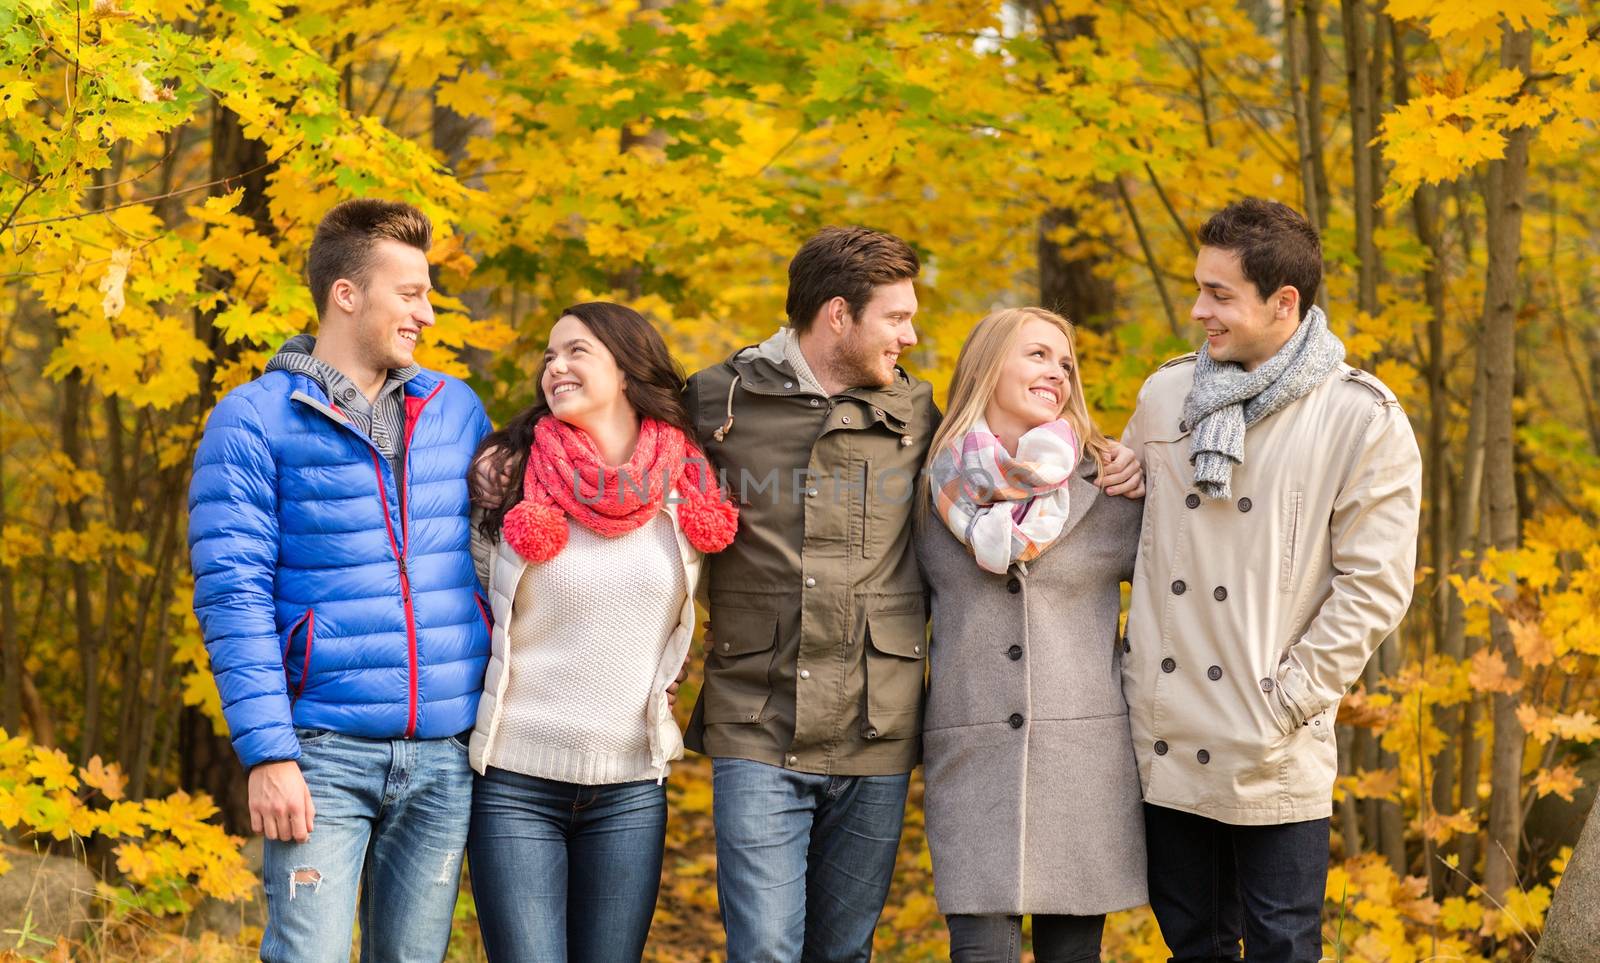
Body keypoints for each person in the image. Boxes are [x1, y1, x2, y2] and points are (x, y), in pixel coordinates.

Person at [681, 227, 1143, 962]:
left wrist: (1113, 455)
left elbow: (1014, 451)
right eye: (896, 317)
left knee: (846, 950)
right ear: (839, 314)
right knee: (765, 946)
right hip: (760, 712)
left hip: (881, 722)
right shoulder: (720, 397)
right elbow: (629, 452)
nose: (911, 333)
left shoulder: (928, 424)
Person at [188, 199, 492, 963]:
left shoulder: (455, 409)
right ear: (345, 295)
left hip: (444, 754)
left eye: (428, 294)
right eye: (411, 292)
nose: (426, 313)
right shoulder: (253, 419)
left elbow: (501, 564)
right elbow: (234, 594)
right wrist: (268, 753)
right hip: (321, 752)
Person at [1120, 198, 1421, 962]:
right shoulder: (1165, 396)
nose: (1198, 310)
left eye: (1220, 294)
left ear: (1283, 302)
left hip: (1272, 745)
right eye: (1199, 288)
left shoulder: (1361, 418)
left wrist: (1286, 701)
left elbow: (1374, 587)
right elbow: (1123, 541)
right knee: (1193, 944)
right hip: (1167, 729)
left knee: (1286, 945)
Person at [463, 302, 739, 962]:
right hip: (514, 782)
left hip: (630, 790)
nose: (554, 366)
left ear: (627, 368)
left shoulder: (687, 487)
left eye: (576, 351)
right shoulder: (508, 478)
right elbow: (465, 607)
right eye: (549, 355)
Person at [916, 306, 1147, 963]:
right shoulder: (931, 490)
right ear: (987, 367)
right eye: (1039, 355)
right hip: (970, 763)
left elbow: (1174, 607)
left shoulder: (1109, 485)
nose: (1058, 372)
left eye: (1066, 362)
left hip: (1084, 770)